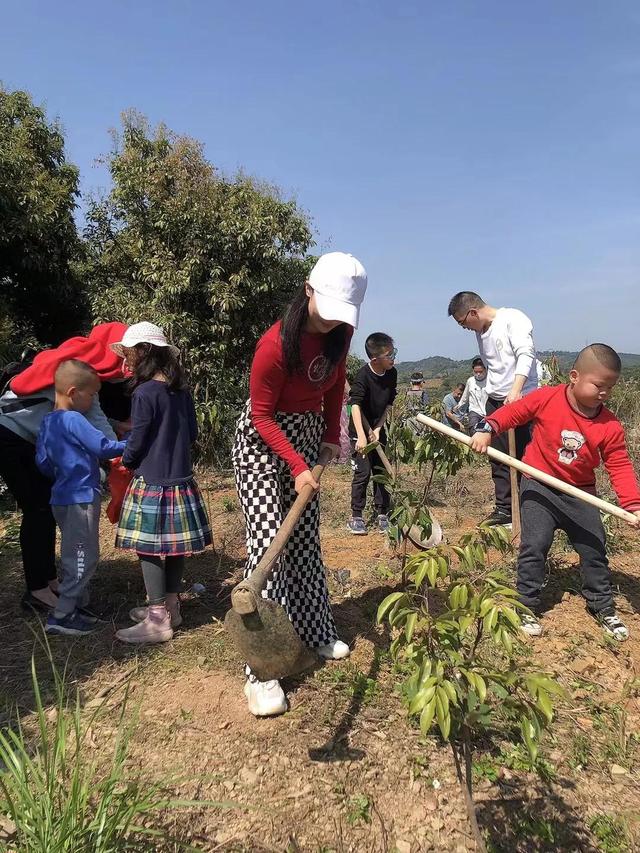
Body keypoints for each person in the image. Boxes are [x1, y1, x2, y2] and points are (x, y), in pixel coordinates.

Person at [232, 251, 367, 717]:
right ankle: (261, 674)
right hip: (262, 445)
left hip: (308, 436)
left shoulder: (341, 335)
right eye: (325, 309)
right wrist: (296, 465)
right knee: (269, 543)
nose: (331, 323)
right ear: (307, 291)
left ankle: (313, 630)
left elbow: (333, 385)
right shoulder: (274, 346)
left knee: (305, 539)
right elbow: (263, 416)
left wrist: (331, 436)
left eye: (340, 315)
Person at [471, 344, 640, 641]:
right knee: (534, 545)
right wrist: (488, 428)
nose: (604, 393)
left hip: (580, 493)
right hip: (539, 486)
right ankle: (525, 603)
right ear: (574, 376)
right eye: (598, 385)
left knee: (594, 549)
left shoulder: (609, 424)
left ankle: (602, 605)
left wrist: (633, 504)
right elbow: (513, 412)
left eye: (610, 388)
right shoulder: (548, 398)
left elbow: (620, 465)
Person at [0, 322, 129, 614]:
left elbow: (79, 419)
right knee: (37, 512)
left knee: (43, 509)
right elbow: (97, 433)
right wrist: (125, 453)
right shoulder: (83, 371)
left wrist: (118, 426)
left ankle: (50, 580)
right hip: (13, 437)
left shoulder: (68, 363)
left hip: (21, 436)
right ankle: (38, 591)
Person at [111, 322, 212, 644]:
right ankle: (171, 604)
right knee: (175, 545)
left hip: (152, 481)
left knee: (148, 548)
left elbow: (138, 439)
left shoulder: (144, 393)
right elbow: (193, 434)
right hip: (181, 479)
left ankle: (157, 619)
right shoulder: (180, 391)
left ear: (144, 352)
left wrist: (126, 460)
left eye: (128, 353)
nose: (126, 360)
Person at [35, 360, 127, 636]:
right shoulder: (74, 420)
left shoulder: (48, 421)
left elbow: (42, 462)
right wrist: (133, 443)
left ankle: (77, 607)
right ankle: (62, 615)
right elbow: (102, 446)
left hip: (61, 498)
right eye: (92, 394)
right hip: (81, 497)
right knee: (83, 555)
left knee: (74, 550)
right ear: (74, 392)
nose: (94, 400)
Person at [448, 291, 538, 526]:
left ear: (473, 312)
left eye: (462, 322)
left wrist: (516, 389)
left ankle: (530, 510)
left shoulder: (513, 319)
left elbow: (525, 354)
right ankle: (505, 509)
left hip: (521, 400)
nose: (464, 328)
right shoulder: (481, 331)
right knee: (497, 458)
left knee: (524, 457)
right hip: (496, 401)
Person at [347, 333, 397, 535]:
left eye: (393, 353)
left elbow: (389, 404)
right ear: (375, 359)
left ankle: (382, 513)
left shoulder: (392, 373)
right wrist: (361, 435)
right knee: (363, 472)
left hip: (377, 428)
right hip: (359, 429)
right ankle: (356, 516)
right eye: (389, 354)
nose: (393, 357)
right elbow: (355, 406)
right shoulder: (363, 376)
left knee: (380, 471)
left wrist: (377, 428)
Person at [455, 357, 488, 434]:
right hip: (475, 411)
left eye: (480, 371)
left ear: (485, 370)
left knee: (486, 432)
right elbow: (465, 396)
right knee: (474, 429)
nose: (478, 374)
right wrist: (459, 405)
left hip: (487, 412)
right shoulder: (470, 381)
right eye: (476, 372)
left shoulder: (490, 380)